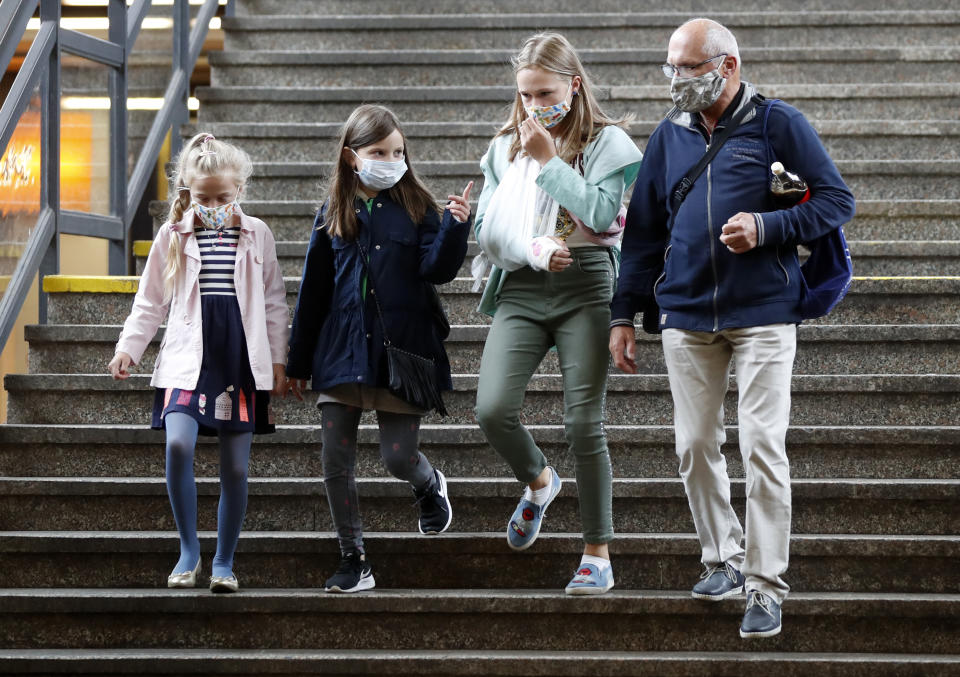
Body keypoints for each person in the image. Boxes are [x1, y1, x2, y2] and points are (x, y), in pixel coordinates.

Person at [609, 18, 855, 637]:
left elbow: (835, 200)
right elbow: (641, 234)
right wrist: (623, 313)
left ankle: (766, 586)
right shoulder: (668, 136)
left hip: (764, 313)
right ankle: (721, 555)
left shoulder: (779, 124)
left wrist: (767, 227)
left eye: (688, 67)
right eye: (671, 66)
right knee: (694, 445)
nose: (676, 78)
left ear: (728, 65)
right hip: (687, 315)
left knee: (761, 447)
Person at [472, 33, 643, 595]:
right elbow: (489, 227)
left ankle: (597, 552)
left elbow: (601, 214)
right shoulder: (504, 147)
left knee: (582, 423)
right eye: (524, 95)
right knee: (492, 409)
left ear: (573, 84)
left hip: (586, 284)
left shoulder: (607, 144)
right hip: (521, 284)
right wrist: (519, 242)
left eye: (543, 92)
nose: (532, 106)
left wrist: (549, 162)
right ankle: (540, 481)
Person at [285, 104, 472, 593]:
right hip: (340, 349)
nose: (391, 159)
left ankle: (429, 486)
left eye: (398, 151)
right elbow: (313, 290)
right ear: (351, 157)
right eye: (378, 152)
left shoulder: (418, 208)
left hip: (402, 352)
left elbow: (438, 270)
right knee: (335, 460)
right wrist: (297, 361)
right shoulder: (333, 212)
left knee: (397, 456)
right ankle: (354, 558)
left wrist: (454, 228)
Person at [109, 133, 289, 593]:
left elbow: (272, 304)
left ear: (240, 191)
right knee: (178, 445)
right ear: (187, 193)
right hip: (189, 360)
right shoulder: (172, 235)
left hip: (239, 363)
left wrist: (280, 363)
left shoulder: (257, 234)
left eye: (222, 197)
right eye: (203, 197)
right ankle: (189, 550)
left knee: (235, 468)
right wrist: (129, 347)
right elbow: (150, 302)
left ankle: (224, 562)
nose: (213, 204)